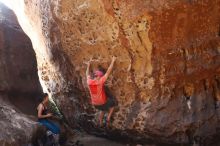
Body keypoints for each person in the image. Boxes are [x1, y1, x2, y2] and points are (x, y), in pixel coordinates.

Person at [86, 56, 117, 127]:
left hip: (95, 104)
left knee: (102, 109)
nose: (100, 76)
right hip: (102, 102)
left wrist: (88, 65)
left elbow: (86, 74)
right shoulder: (100, 81)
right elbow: (108, 71)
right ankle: (108, 117)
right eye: (100, 76)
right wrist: (113, 61)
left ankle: (100, 122)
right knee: (113, 103)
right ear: (99, 77)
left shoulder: (89, 81)